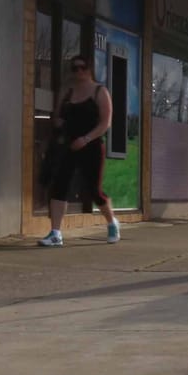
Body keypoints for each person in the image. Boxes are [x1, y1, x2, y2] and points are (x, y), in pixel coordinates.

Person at [37, 55, 119, 246]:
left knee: (93, 189)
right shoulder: (67, 90)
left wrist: (86, 138)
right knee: (60, 186)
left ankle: (111, 222)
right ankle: (55, 233)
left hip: (91, 145)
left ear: (90, 69)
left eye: (82, 67)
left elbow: (105, 123)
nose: (79, 72)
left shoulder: (100, 91)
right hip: (67, 144)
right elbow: (57, 115)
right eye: (74, 68)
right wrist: (58, 122)